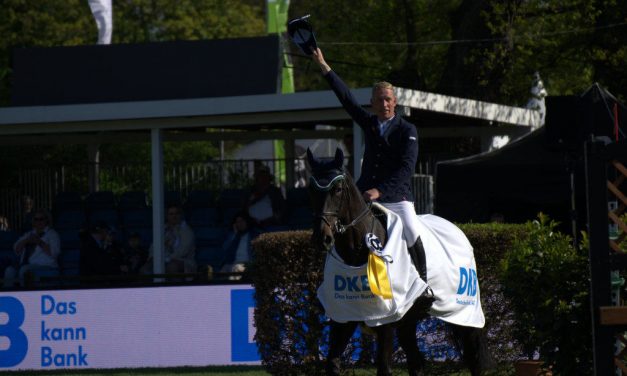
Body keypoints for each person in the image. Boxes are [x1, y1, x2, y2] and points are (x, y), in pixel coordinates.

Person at [310, 47, 430, 285]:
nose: (384, 104)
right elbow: (346, 98)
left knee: (411, 230)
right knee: (334, 223)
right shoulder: (369, 123)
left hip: (396, 197)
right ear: (372, 103)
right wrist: (324, 66)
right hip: (364, 194)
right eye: (379, 100)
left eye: (388, 99)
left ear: (394, 102)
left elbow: (405, 169)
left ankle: (423, 282)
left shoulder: (408, 130)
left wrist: (381, 191)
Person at [3, 209, 60, 287]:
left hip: (46, 266)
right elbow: (16, 249)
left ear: (46, 220)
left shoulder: (52, 234)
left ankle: (25, 296)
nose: (39, 222)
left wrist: (39, 242)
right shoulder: (29, 234)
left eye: (41, 219)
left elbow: (54, 253)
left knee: (25, 270)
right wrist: (26, 241)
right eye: (36, 219)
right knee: (9, 270)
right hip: (26, 265)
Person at [143, 204, 196, 274]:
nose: (174, 216)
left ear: (181, 215)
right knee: (144, 269)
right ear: (167, 216)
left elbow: (183, 251)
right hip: (162, 259)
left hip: (183, 260)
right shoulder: (162, 230)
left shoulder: (187, 231)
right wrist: (154, 257)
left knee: (171, 267)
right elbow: (153, 246)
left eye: (177, 213)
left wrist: (167, 259)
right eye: (171, 214)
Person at [243, 163, 287, 229]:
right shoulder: (250, 190)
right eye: (260, 176)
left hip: (271, 222)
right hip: (252, 223)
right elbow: (244, 207)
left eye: (265, 176)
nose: (263, 178)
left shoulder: (275, 191)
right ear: (257, 178)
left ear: (269, 178)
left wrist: (275, 217)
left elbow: (282, 208)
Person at [220, 211, 260, 280]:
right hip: (232, 263)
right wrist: (234, 234)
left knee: (236, 268)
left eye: (242, 221)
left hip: (247, 264)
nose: (240, 224)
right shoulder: (233, 236)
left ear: (247, 222)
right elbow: (225, 248)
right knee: (223, 270)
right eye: (237, 222)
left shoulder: (254, 234)